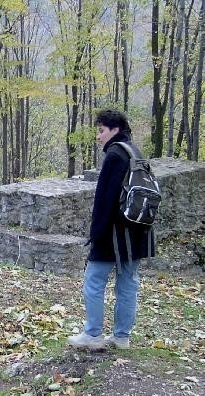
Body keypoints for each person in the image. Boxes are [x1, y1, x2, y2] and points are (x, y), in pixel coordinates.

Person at [68, 109, 155, 350]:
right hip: (137, 230)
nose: (98, 136)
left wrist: (95, 234)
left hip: (114, 234)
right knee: (128, 283)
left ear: (114, 130)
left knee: (93, 280)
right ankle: (121, 337)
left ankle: (93, 335)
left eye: (101, 130)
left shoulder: (116, 155)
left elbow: (105, 199)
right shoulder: (134, 151)